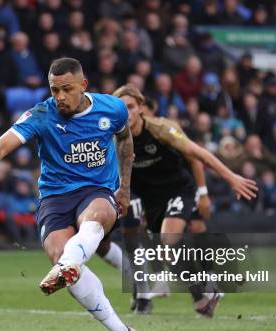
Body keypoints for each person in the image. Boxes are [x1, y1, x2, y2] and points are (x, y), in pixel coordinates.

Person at [0, 58, 147, 331]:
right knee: (60, 259)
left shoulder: (113, 109)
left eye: (66, 89)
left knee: (94, 220)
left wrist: (125, 188)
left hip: (97, 191)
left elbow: (125, 143)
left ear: (83, 85)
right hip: (55, 197)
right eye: (54, 90)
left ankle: (72, 263)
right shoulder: (41, 114)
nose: (60, 96)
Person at [98, 84, 257, 315]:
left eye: (131, 107)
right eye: (121, 108)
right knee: (165, 252)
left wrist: (230, 177)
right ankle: (201, 294)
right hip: (150, 199)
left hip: (178, 189)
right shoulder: (115, 140)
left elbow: (198, 154)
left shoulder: (161, 129)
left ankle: (208, 280)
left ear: (141, 108)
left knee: (170, 238)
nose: (127, 113)